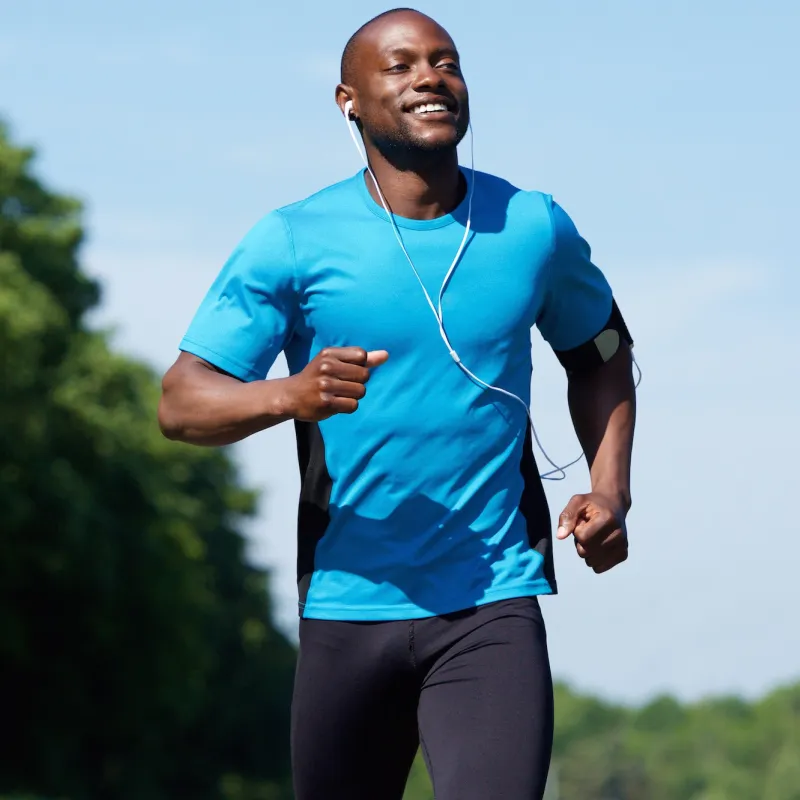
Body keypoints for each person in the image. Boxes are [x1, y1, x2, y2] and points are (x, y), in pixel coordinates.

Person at [158, 7, 637, 799]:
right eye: (402, 64)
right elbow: (181, 402)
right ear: (349, 100)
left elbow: (603, 360)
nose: (429, 78)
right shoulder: (293, 238)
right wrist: (291, 393)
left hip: (491, 599)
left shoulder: (531, 227)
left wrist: (610, 486)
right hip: (347, 604)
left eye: (445, 62)